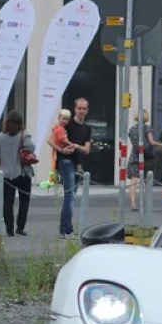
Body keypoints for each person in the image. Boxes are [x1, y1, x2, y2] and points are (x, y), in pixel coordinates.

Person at [49, 98, 92, 239]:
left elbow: (87, 150)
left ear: (87, 110)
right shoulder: (66, 124)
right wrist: (61, 151)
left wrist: (76, 146)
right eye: (79, 108)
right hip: (67, 162)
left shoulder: (87, 128)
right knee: (70, 197)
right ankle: (67, 230)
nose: (81, 111)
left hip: (79, 164)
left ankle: (64, 230)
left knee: (71, 197)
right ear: (75, 109)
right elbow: (50, 140)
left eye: (84, 109)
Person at [0, 110, 34, 237]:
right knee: (24, 201)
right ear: (21, 123)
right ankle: (20, 227)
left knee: (7, 202)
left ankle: (9, 229)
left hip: (5, 175)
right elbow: (31, 148)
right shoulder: (24, 135)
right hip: (22, 173)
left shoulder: (0, 137)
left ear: (7, 122)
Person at [126, 109, 162, 212]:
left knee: (133, 180)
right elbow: (152, 142)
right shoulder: (147, 128)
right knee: (148, 180)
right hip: (147, 157)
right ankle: (147, 203)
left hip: (134, 156)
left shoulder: (131, 129)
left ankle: (133, 203)